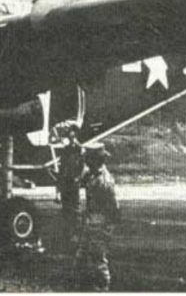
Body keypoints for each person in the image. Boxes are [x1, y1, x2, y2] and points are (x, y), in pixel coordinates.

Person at [75, 142, 120, 291]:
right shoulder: (91, 174)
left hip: (100, 224)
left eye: (87, 158)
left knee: (98, 260)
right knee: (81, 258)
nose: (85, 161)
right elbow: (79, 180)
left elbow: (114, 208)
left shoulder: (105, 181)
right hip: (89, 222)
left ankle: (102, 288)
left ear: (94, 160)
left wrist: (107, 230)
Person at [55, 122, 85, 245]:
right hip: (66, 183)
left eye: (73, 133)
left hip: (73, 183)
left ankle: (76, 235)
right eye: (70, 134)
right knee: (66, 209)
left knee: (75, 210)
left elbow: (83, 167)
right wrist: (57, 190)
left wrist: (78, 179)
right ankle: (68, 235)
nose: (71, 136)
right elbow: (61, 170)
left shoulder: (80, 150)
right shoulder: (66, 150)